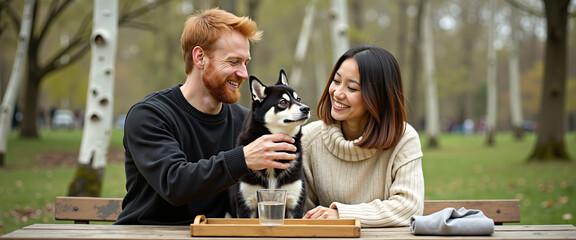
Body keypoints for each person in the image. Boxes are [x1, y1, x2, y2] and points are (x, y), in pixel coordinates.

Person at [115, 8, 297, 225]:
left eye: (245, 63)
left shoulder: (245, 122)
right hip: (148, 235)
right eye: (233, 62)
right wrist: (244, 158)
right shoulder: (149, 115)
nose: (244, 74)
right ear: (200, 57)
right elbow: (175, 184)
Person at [301, 46, 424, 227]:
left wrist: (341, 215)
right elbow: (301, 212)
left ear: (378, 96)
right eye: (336, 81)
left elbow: (409, 207)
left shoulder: (403, 139)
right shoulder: (309, 139)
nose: (337, 93)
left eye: (351, 87)